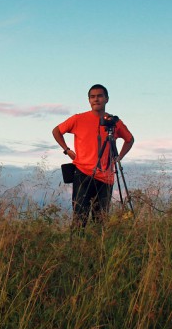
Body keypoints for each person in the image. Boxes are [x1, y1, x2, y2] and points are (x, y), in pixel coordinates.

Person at [52, 84, 134, 226]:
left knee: (100, 220)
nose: (96, 99)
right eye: (93, 97)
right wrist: (67, 150)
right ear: (89, 100)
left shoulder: (114, 122)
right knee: (79, 218)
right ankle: (78, 246)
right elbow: (56, 131)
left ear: (107, 99)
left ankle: (98, 246)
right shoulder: (78, 119)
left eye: (100, 96)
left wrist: (118, 158)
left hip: (106, 176)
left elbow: (129, 139)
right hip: (82, 173)